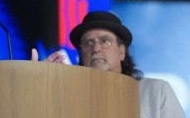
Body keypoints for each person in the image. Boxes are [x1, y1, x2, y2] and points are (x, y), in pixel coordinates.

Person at [34, 11, 185, 118]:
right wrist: (35, 84)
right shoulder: (68, 98)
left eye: (104, 41)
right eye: (88, 43)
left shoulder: (156, 91)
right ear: (81, 54)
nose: (96, 48)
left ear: (122, 51)